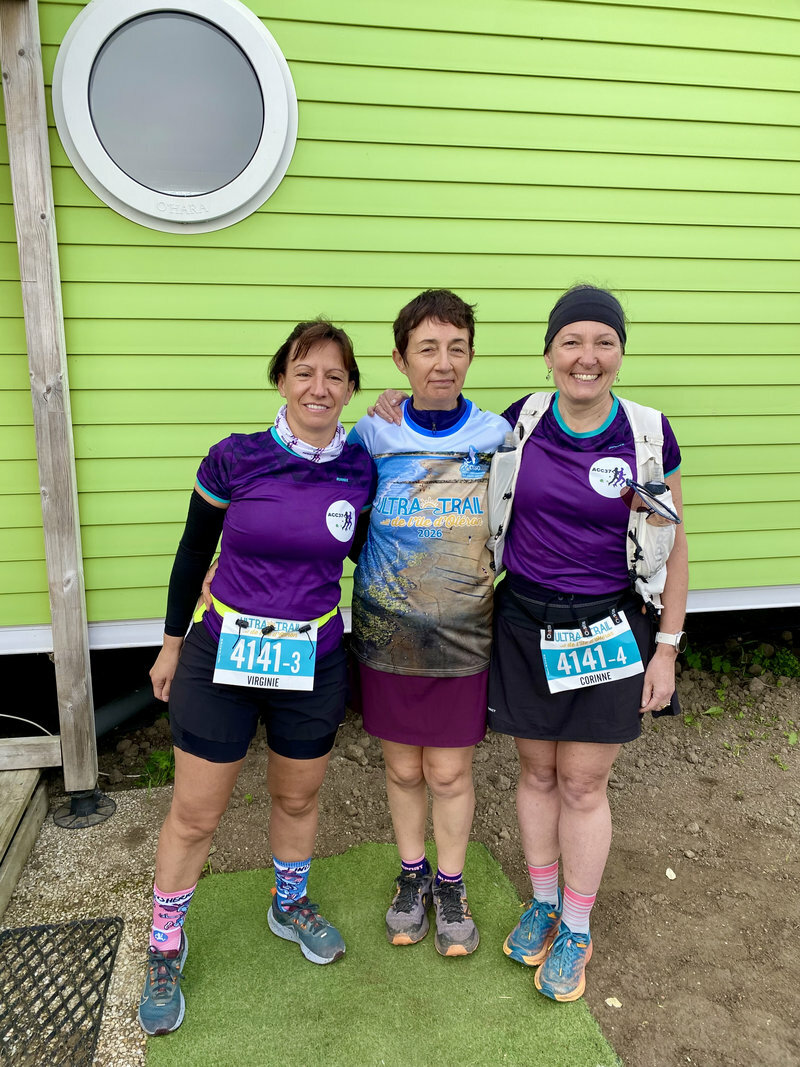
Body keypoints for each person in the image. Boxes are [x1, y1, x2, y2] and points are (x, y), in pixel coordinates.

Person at [139, 321, 374, 1036]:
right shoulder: (235, 457)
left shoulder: (361, 467)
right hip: (222, 656)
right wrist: (170, 646)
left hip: (313, 659)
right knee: (196, 812)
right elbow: (192, 552)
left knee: (297, 797)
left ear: (350, 390)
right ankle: (164, 943)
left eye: (335, 376)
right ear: (281, 380)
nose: (319, 387)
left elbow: (369, 550)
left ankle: (288, 903)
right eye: (304, 371)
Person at [489, 285, 688, 1002]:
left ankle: (576, 925)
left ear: (620, 354)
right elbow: (438, 434)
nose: (587, 356)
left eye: (604, 342)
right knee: (536, 772)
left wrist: (667, 648)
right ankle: (543, 903)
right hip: (523, 622)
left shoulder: (646, 434)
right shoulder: (520, 422)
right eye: (571, 341)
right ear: (548, 354)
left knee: (581, 780)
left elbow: (673, 543)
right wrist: (390, 406)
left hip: (608, 628)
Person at [347, 290, 508, 956]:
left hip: (464, 635)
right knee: (404, 771)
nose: (443, 362)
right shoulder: (372, 434)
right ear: (400, 359)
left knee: (448, 773)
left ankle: (450, 883)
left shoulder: (497, 435)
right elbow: (346, 521)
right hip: (388, 635)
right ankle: (411, 875)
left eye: (456, 348)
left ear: (471, 355)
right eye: (427, 349)